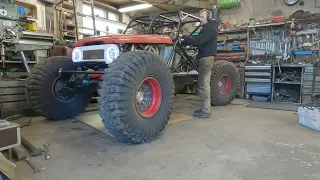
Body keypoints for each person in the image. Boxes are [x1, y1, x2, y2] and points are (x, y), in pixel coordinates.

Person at [180, 9, 218, 118]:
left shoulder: (209, 28)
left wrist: (184, 38)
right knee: (203, 84)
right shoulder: (208, 28)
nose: (200, 19)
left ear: (208, 18)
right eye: (200, 16)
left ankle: (206, 110)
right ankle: (204, 108)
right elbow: (199, 41)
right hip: (205, 58)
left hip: (206, 59)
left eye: (202, 17)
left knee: (203, 85)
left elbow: (199, 41)